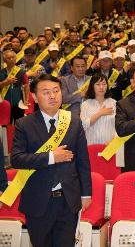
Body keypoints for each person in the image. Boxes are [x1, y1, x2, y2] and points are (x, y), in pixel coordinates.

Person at [10, 74, 92, 246]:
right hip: (38, 200)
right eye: (46, 92)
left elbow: (83, 162)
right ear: (34, 97)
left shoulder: (73, 121)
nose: (53, 96)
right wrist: (51, 157)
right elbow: (17, 159)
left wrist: (86, 193)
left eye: (56, 91)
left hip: (68, 200)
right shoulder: (24, 124)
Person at [80, 73, 116, 145]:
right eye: (98, 84)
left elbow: (118, 126)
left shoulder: (113, 103)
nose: (101, 87)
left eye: (104, 84)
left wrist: (114, 141)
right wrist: (100, 113)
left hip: (110, 146)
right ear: (92, 86)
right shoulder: (85, 105)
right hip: (91, 145)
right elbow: (83, 125)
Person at [0, 49, 29, 123]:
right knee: (6, 123)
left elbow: (26, 85)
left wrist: (26, 100)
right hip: (4, 102)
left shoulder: (21, 72)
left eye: (13, 57)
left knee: (19, 123)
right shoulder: (1, 72)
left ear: (16, 58)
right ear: (4, 60)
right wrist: (5, 83)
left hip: (18, 102)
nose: (11, 59)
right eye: (9, 58)